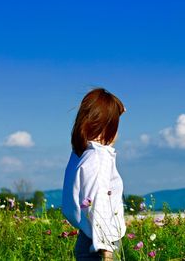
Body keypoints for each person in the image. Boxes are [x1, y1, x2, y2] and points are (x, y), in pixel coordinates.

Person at [62, 88, 126, 261]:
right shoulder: (99, 157)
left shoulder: (81, 155)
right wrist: (106, 249)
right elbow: (99, 201)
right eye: (116, 124)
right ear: (107, 125)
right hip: (101, 247)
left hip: (88, 237)